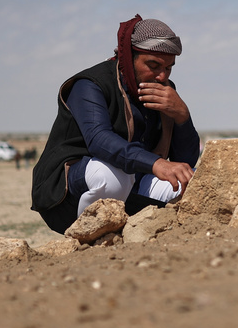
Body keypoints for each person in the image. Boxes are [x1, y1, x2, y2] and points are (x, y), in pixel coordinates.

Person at [31, 16, 200, 234]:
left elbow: (184, 161)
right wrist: (156, 163)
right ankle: (91, 238)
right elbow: (99, 140)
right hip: (67, 195)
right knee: (110, 176)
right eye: (154, 65)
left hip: (133, 185)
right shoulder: (91, 84)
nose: (161, 76)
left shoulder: (164, 90)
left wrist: (182, 115)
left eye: (169, 68)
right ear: (129, 57)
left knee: (191, 181)